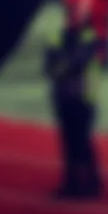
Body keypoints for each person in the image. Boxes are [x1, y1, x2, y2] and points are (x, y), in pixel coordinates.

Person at [44, 18, 103, 199]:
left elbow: (79, 61)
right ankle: (75, 182)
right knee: (70, 143)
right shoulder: (57, 36)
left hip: (83, 97)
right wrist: (62, 67)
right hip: (65, 96)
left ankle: (88, 183)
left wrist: (60, 68)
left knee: (81, 142)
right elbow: (49, 64)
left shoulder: (88, 35)